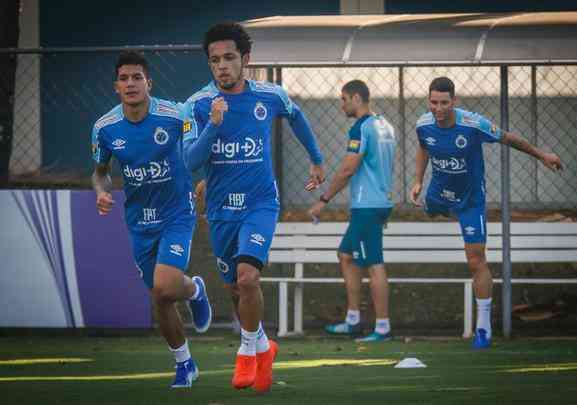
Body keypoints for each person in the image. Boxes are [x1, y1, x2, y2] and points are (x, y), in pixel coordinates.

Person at [182, 22, 325, 392]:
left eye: (229, 58)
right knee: (235, 288)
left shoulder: (269, 95)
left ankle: (246, 351)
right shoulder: (197, 105)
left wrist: (316, 158)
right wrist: (213, 125)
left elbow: (297, 116)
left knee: (248, 277)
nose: (222, 66)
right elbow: (189, 161)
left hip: (261, 202)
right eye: (215, 60)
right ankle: (263, 343)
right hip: (219, 209)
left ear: (245, 59)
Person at [410, 76, 563, 349]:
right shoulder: (423, 124)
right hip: (438, 194)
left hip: (470, 201)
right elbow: (423, 147)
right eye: (433, 102)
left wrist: (543, 155)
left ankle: (483, 327)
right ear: (428, 101)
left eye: (444, 102)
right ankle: (439, 209)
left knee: (475, 260)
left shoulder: (473, 124)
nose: (438, 108)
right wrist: (418, 180)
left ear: (454, 101)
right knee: (429, 209)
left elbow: (508, 138)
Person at [91, 51, 212, 388]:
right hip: (139, 221)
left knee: (163, 285)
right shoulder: (104, 128)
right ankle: (185, 362)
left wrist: (206, 178)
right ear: (116, 86)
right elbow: (100, 173)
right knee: (160, 296)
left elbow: (197, 149)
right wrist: (102, 192)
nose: (131, 84)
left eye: (137, 78)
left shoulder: (174, 116)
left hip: (177, 212)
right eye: (124, 78)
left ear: (149, 83)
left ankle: (192, 290)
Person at [308, 80, 396, 343]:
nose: (342, 104)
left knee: (374, 263)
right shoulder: (385, 125)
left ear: (357, 98)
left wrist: (323, 199)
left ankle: (382, 328)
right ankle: (353, 319)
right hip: (378, 203)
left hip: (367, 206)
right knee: (346, 255)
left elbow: (348, 169)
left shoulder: (361, 128)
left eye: (344, 99)